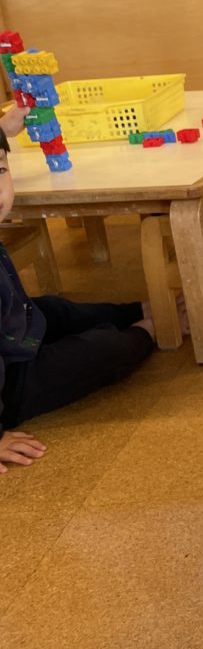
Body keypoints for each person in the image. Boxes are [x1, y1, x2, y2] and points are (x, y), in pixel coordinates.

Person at [0, 120, 173, 473]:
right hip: (13, 388)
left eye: (0, 170)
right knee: (102, 350)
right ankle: (148, 329)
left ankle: (137, 310)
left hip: (14, 337)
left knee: (54, 309)